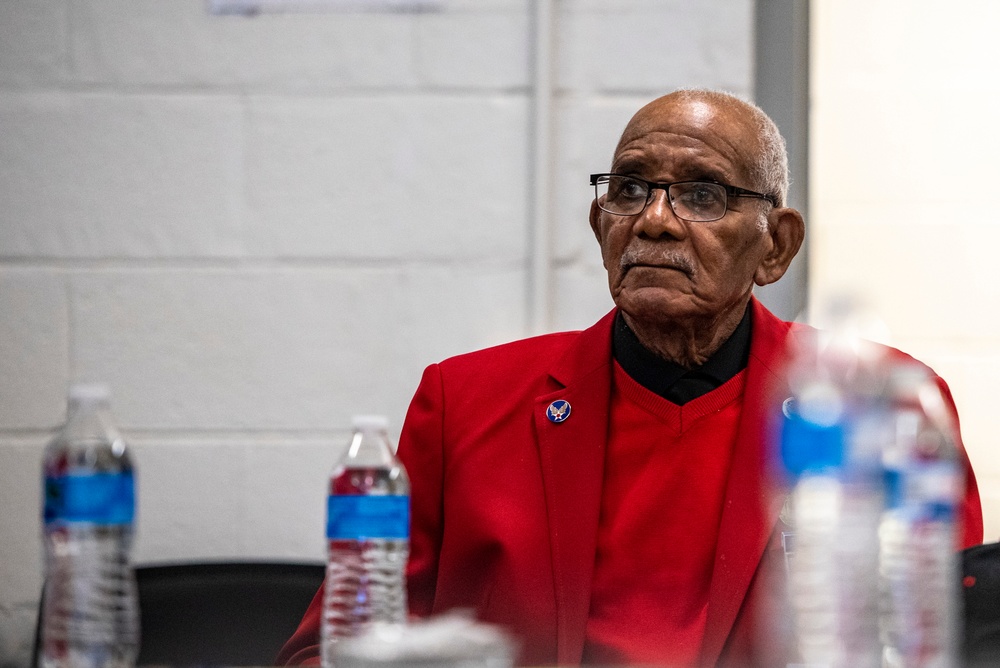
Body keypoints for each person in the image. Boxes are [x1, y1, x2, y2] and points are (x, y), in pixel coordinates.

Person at [278, 89, 983, 667]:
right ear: (599, 224)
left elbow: (953, 644)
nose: (654, 221)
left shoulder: (877, 406)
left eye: (703, 195)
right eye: (630, 189)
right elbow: (327, 652)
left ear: (776, 246)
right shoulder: (463, 404)